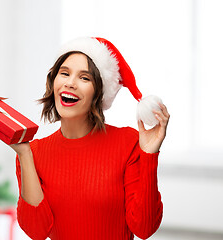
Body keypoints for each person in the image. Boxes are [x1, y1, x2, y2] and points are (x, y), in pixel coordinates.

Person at [9, 37, 170, 240]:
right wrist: (24, 154)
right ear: (53, 82)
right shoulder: (33, 153)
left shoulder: (128, 143)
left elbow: (144, 228)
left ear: (99, 92)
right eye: (64, 73)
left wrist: (148, 155)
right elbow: (36, 231)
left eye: (84, 78)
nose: (70, 83)